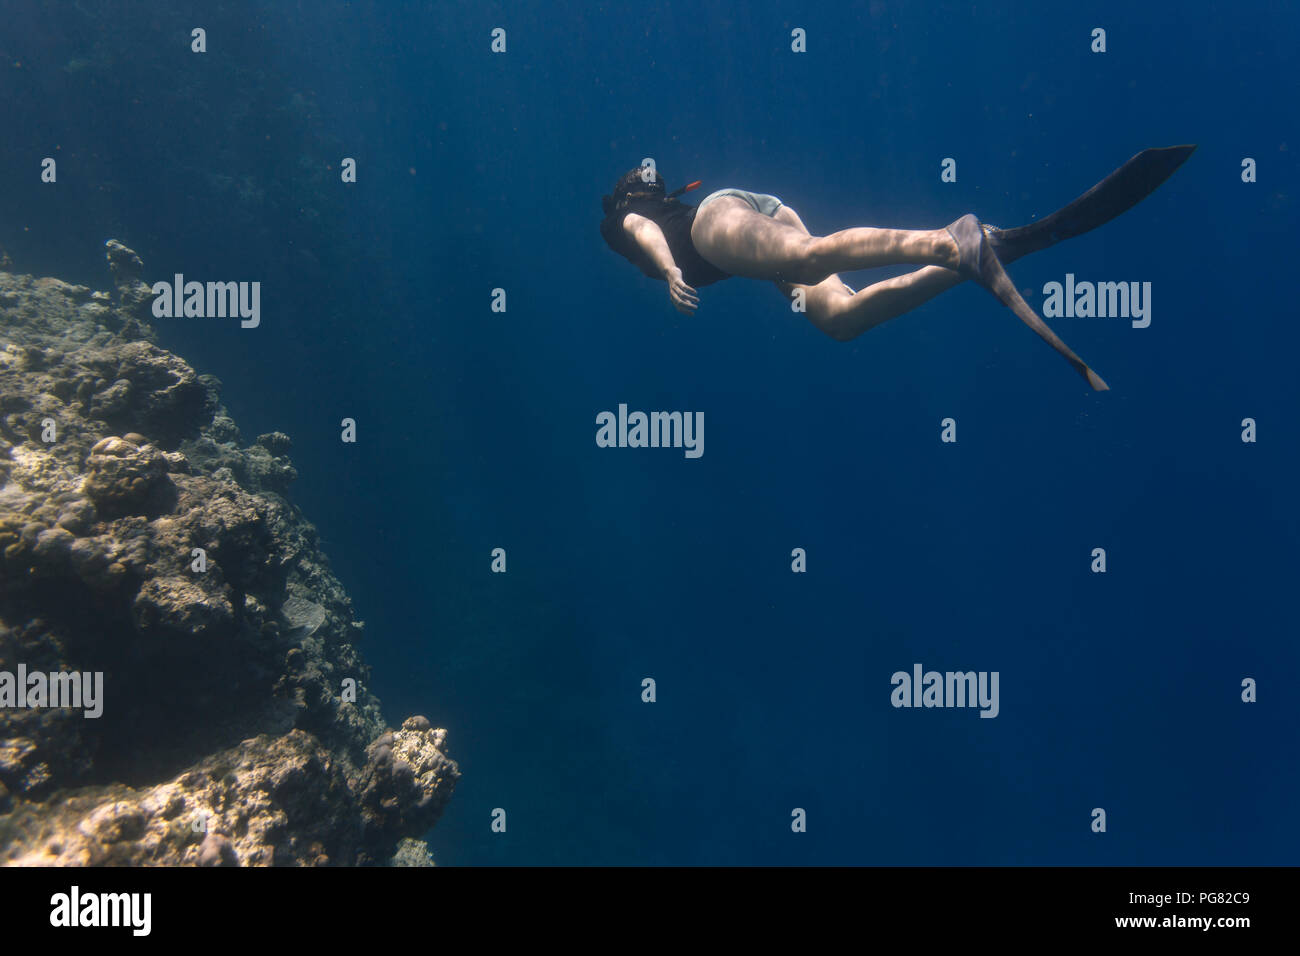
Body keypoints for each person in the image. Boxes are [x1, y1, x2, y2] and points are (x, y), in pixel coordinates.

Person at [599, 148, 1197, 390]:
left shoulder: (624, 218)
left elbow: (643, 230)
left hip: (713, 228)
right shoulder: (656, 200)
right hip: (744, 218)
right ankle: (977, 254)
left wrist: (669, 269)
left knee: (812, 257)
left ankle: (948, 241)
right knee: (839, 316)